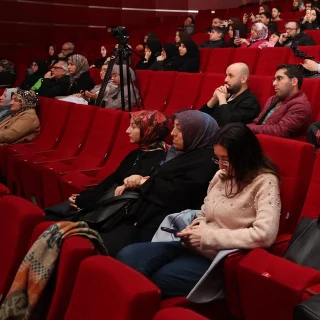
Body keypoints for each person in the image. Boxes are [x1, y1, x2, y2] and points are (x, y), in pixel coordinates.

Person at [116, 123, 280, 298]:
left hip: (220, 258)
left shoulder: (265, 182)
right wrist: (194, 228)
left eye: (225, 159)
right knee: (128, 255)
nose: (220, 166)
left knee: (160, 277)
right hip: (195, 245)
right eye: (218, 159)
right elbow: (205, 213)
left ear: (244, 156)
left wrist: (207, 236)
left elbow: (264, 235)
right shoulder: (221, 176)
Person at [99, 110, 219, 257]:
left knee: (110, 253)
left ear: (196, 134)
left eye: (180, 130)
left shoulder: (205, 162)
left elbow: (176, 193)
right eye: (173, 127)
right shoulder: (176, 152)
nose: (173, 133)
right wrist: (139, 181)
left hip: (164, 226)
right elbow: (157, 177)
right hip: (142, 214)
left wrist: (143, 182)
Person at [48, 111, 170, 219]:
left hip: (112, 213)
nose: (127, 130)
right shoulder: (136, 153)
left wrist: (85, 201)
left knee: (54, 219)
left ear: (148, 130)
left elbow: (122, 193)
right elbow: (113, 179)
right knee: (51, 213)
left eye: (133, 127)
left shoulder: (158, 159)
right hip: (102, 202)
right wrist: (85, 197)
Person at [248, 64, 312, 138]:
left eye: (279, 78)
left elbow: (280, 131)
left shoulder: (300, 106)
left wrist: (248, 128)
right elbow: (258, 121)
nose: (274, 83)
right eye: (274, 79)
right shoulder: (273, 99)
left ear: (294, 81)